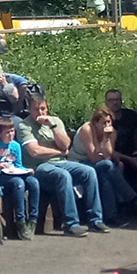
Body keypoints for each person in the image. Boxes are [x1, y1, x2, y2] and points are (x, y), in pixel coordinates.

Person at [17, 95, 104, 237]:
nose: (40, 112)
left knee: (89, 172)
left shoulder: (55, 121)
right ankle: (71, 224)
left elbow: (65, 144)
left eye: (43, 108)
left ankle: (95, 220)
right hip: (39, 166)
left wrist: (52, 127)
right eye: (36, 109)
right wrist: (58, 151)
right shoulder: (24, 126)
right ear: (29, 110)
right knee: (63, 176)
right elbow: (35, 151)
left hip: (62, 162)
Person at [70, 105, 137, 227]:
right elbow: (93, 158)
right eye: (103, 123)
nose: (107, 126)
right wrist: (107, 155)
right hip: (78, 162)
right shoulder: (87, 130)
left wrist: (106, 138)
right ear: (95, 122)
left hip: (100, 164)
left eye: (109, 122)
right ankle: (131, 198)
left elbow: (107, 155)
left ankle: (111, 216)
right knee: (107, 166)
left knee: (106, 173)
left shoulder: (112, 133)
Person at [0, 117, 38, 240]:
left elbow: (18, 165)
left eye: (12, 131)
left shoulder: (16, 146)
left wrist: (26, 170)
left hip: (14, 173)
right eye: (7, 132)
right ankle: (20, 221)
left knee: (33, 182)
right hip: (0, 175)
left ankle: (33, 220)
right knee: (18, 183)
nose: (11, 134)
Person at [104, 88, 137, 189]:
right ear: (106, 102)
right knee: (119, 166)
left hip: (131, 152)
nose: (115, 102)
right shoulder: (103, 120)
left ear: (121, 101)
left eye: (117, 99)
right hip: (112, 156)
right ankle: (123, 200)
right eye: (111, 100)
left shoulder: (130, 115)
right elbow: (108, 150)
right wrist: (131, 160)